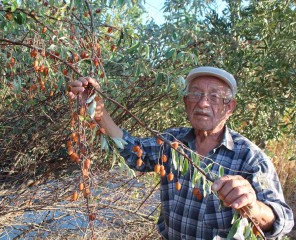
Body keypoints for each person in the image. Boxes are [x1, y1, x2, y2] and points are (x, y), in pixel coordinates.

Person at [70, 66, 294, 239]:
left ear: (230, 107)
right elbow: (134, 152)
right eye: (195, 94)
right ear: (186, 102)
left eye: (215, 97)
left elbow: (283, 221)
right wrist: (98, 111)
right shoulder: (172, 142)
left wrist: (253, 207)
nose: (203, 103)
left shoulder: (250, 158)